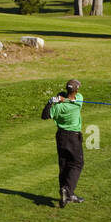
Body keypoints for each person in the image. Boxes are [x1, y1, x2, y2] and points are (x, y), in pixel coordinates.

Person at [42, 78, 85, 208]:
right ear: (76, 90)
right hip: (73, 137)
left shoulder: (59, 107)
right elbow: (69, 97)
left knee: (64, 165)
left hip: (61, 136)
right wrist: (62, 98)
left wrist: (51, 102)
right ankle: (69, 192)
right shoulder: (79, 100)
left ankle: (64, 193)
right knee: (77, 163)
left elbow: (45, 115)